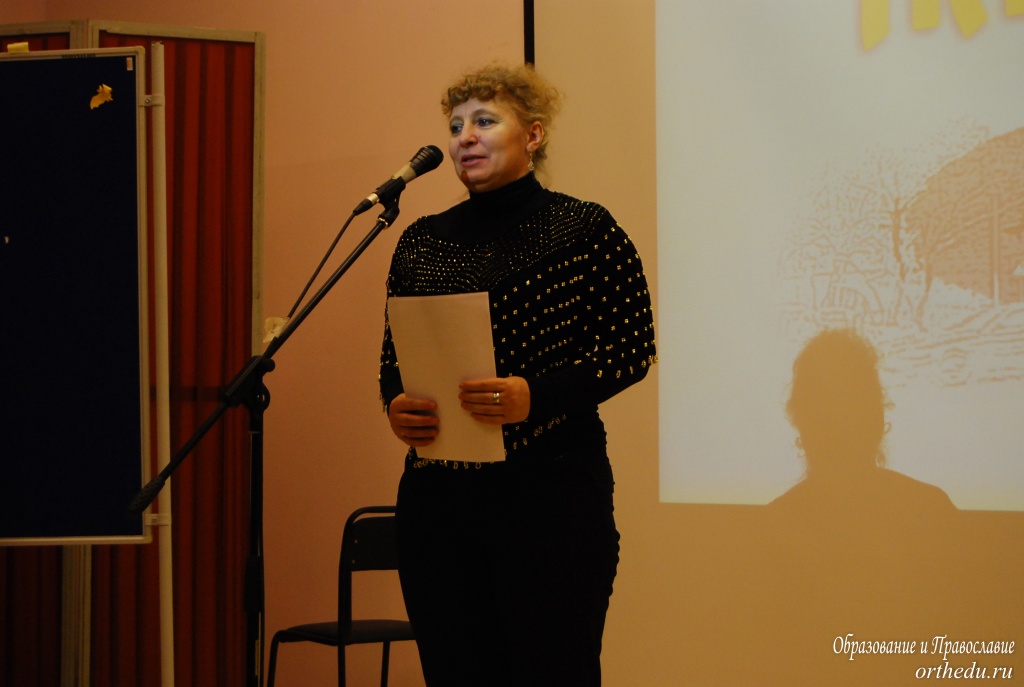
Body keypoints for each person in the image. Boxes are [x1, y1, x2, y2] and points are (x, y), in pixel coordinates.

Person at [378, 62, 656, 687]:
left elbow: (630, 348)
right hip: (438, 509)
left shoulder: (585, 230)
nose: (465, 138)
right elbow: (394, 358)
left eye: (484, 121)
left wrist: (536, 396)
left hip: (550, 500)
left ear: (533, 135)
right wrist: (395, 404)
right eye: (456, 126)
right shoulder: (420, 240)